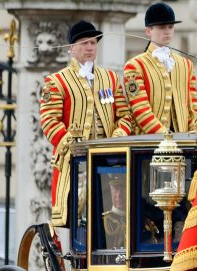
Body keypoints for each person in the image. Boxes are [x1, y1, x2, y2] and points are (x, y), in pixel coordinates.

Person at [40, 20, 133, 225]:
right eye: (84, 43)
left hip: (108, 161)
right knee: (75, 217)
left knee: (112, 216)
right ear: (72, 48)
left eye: (93, 43)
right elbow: (49, 120)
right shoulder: (57, 81)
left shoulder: (110, 78)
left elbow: (125, 116)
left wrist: (117, 137)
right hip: (74, 163)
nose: (90, 48)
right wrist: (71, 145)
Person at [123, 2, 197, 135]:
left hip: (183, 141)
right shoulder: (135, 65)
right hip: (149, 143)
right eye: (161, 27)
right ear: (148, 31)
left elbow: (193, 107)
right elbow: (140, 110)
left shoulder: (186, 65)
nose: (167, 31)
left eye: (170, 27)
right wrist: (166, 136)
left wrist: (195, 130)